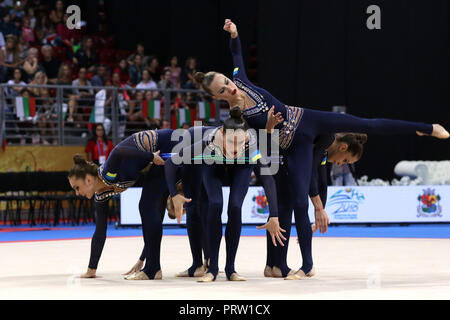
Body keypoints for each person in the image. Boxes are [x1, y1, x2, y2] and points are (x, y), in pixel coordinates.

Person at [192, 18, 449, 280]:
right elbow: (264, 144)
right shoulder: (236, 115)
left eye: (226, 81)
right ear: (217, 97)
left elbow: (236, 52)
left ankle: (426, 127)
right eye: (223, 89)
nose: (229, 87)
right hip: (293, 146)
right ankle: (307, 266)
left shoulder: (240, 77)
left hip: (306, 119)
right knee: (300, 201)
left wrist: (234, 33)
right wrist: (268, 127)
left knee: (365, 123)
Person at [165, 107, 284, 282]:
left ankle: (231, 269)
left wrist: (274, 215)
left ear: (246, 138)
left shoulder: (251, 145)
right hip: (213, 163)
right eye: (230, 142)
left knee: (235, 207)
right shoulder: (208, 141)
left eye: (239, 143)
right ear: (222, 133)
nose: (235, 149)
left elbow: (267, 179)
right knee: (214, 203)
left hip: (241, 167)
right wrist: (174, 194)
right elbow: (170, 163)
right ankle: (212, 269)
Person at [68, 129, 178, 279]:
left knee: (147, 205)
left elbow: (119, 151)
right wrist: (91, 270)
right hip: (161, 153)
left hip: (169, 142)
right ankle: (161, 266)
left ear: (88, 179)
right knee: (148, 206)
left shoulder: (107, 173)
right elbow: (100, 232)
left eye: (77, 187)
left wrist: (150, 156)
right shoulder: (101, 195)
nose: (77, 193)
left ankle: (154, 269)